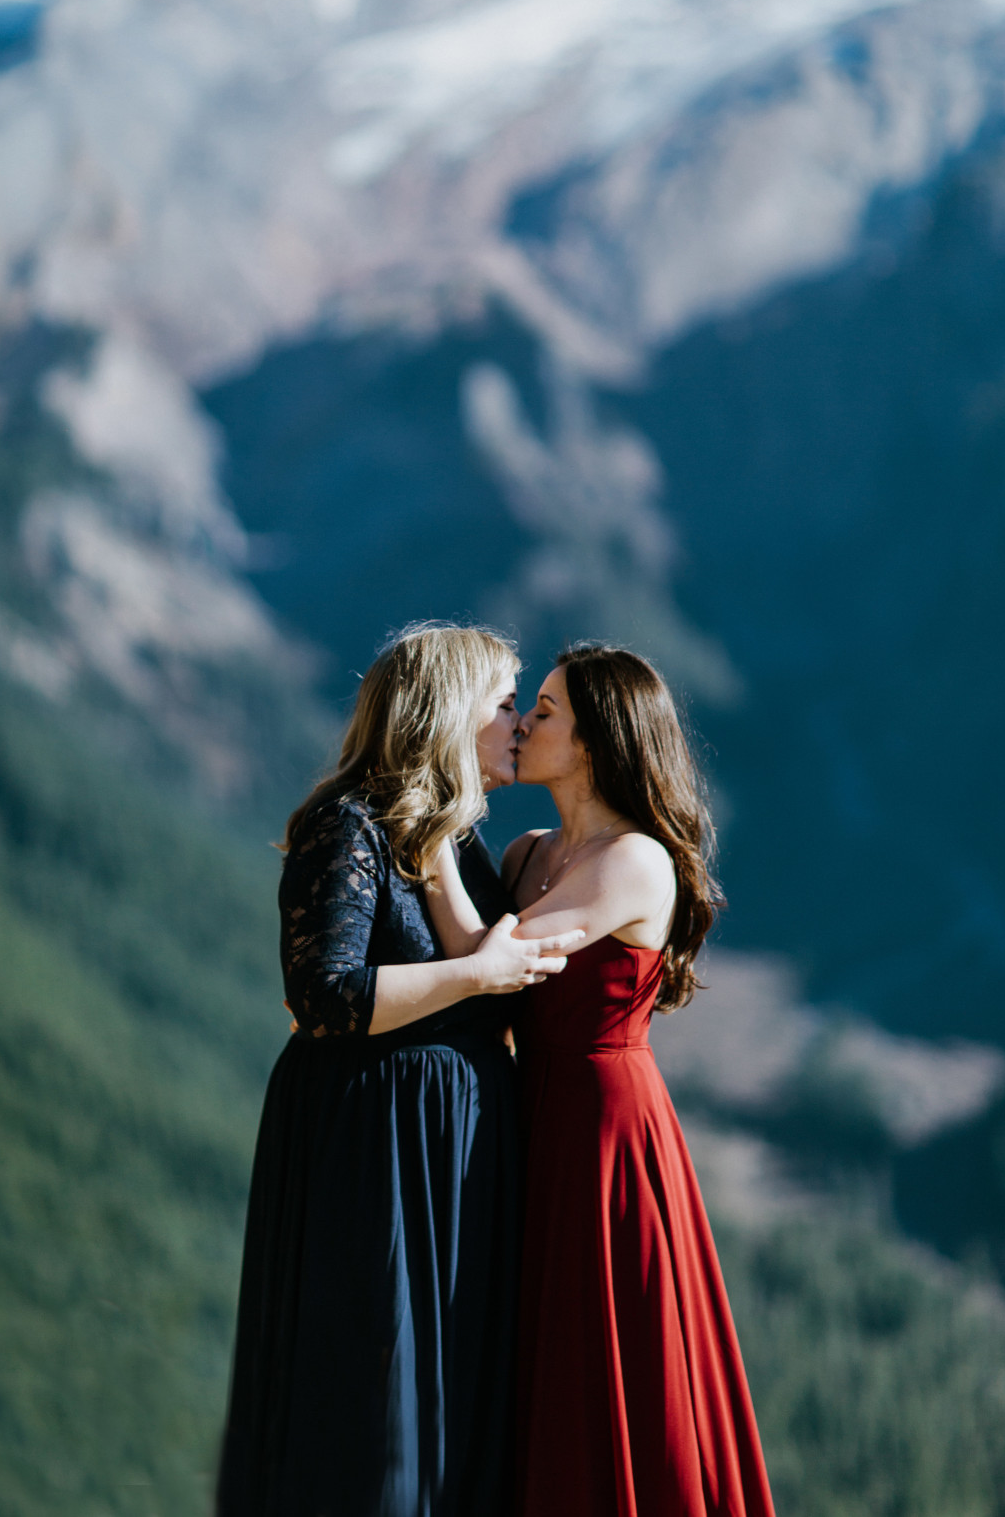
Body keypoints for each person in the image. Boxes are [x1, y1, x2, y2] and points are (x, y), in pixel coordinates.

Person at [216, 622, 578, 1517]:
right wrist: (475, 976)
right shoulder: (347, 826)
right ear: (449, 714)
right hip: (369, 1141)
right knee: (369, 1395)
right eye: (505, 707)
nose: (519, 728)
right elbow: (322, 993)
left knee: (445, 1388)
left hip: (449, 1149)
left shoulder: (458, 844)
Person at [429, 642, 776, 1517]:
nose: (522, 724)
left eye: (543, 711)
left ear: (592, 742)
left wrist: (430, 841)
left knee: (610, 1355)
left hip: (604, 1137)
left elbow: (486, 962)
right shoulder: (526, 854)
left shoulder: (636, 862)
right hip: (535, 1120)